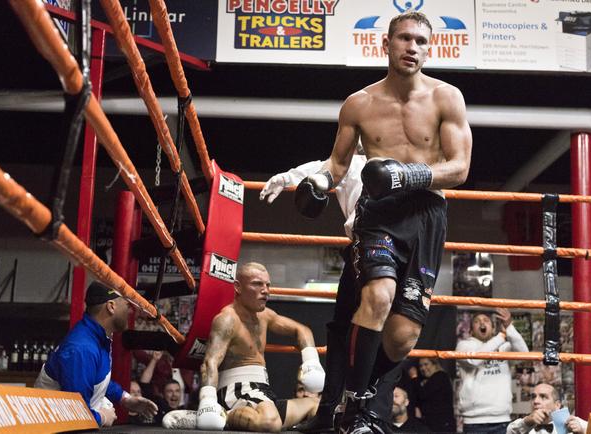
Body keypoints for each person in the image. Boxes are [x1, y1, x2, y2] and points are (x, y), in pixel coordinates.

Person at [293, 10, 472, 434]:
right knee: (377, 296)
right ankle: (358, 410)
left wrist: (410, 174)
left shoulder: (447, 98)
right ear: (386, 44)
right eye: (405, 39)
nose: (412, 48)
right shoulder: (359, 103)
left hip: (426, 214)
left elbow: (461, 167)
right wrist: (318, 182)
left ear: (429, 49)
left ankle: (361, 396)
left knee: (402, 336)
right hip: (379, 216)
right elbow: (338, 163)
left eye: (421, 42)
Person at [261, 147, 402, 434]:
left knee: (387, 335)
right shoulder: (350, 163)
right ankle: (331, 413)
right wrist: (286, 178)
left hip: (391, 250)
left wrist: (287, 178)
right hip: (362, 249)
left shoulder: (399, 162)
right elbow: (320, 169)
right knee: (343, 332)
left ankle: (372, 415)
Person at [196, 262, 324, 432]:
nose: (265, 290)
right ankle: (219, 415)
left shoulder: (265, 316)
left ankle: (222, 417)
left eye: (267, 285)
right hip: (236, 390)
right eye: (257, 284)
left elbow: (302, 330)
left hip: (262, 392)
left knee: (318, 408)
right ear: (238, 287)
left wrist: (311, 362)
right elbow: (209, 363)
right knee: (270, 423)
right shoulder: (227, 319)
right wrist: (208, 401)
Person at [34, 281, 158, 427]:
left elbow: (95, 378)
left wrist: (125, 398)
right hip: (52, 427)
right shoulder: (82, 349)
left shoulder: (97, 338)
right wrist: (102, 417)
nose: (130, 311)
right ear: (111, 307)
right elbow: (75, 413)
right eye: (127, 305)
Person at [456, 309, 529, 433]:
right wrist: (501, 336)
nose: (482, 323)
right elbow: (474, 360)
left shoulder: (504, 347)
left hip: (501, 418)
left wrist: (509, 326)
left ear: (492, 327)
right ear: (472, 329)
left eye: (486, 321)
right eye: (477, 322)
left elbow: (524, 354)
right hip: (474, 421)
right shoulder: (464, 345)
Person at [506, 383, 587, 434]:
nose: (536, 401)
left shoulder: (574, 422)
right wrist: (527, 422)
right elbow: (510, 431)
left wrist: (582, 432)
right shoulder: (523, 425)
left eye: (543, 397)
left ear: (557, 405)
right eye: (533, 397)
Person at [139, 350, 185, 425]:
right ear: (163, 394)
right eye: (170, 391)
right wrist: (154, 360)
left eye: (177, 391)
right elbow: (144, 384)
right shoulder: (157, 407)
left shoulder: (184, 413)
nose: (174, 394)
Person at [415, 358, 455, 432]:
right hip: (434, 424)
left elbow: (422, 394)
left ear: (435, 364)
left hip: (442, 425)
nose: (423, 368)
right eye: (420, 366)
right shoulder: (425, 380)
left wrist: (414, 377)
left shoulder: (441, 376)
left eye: (426, 364)